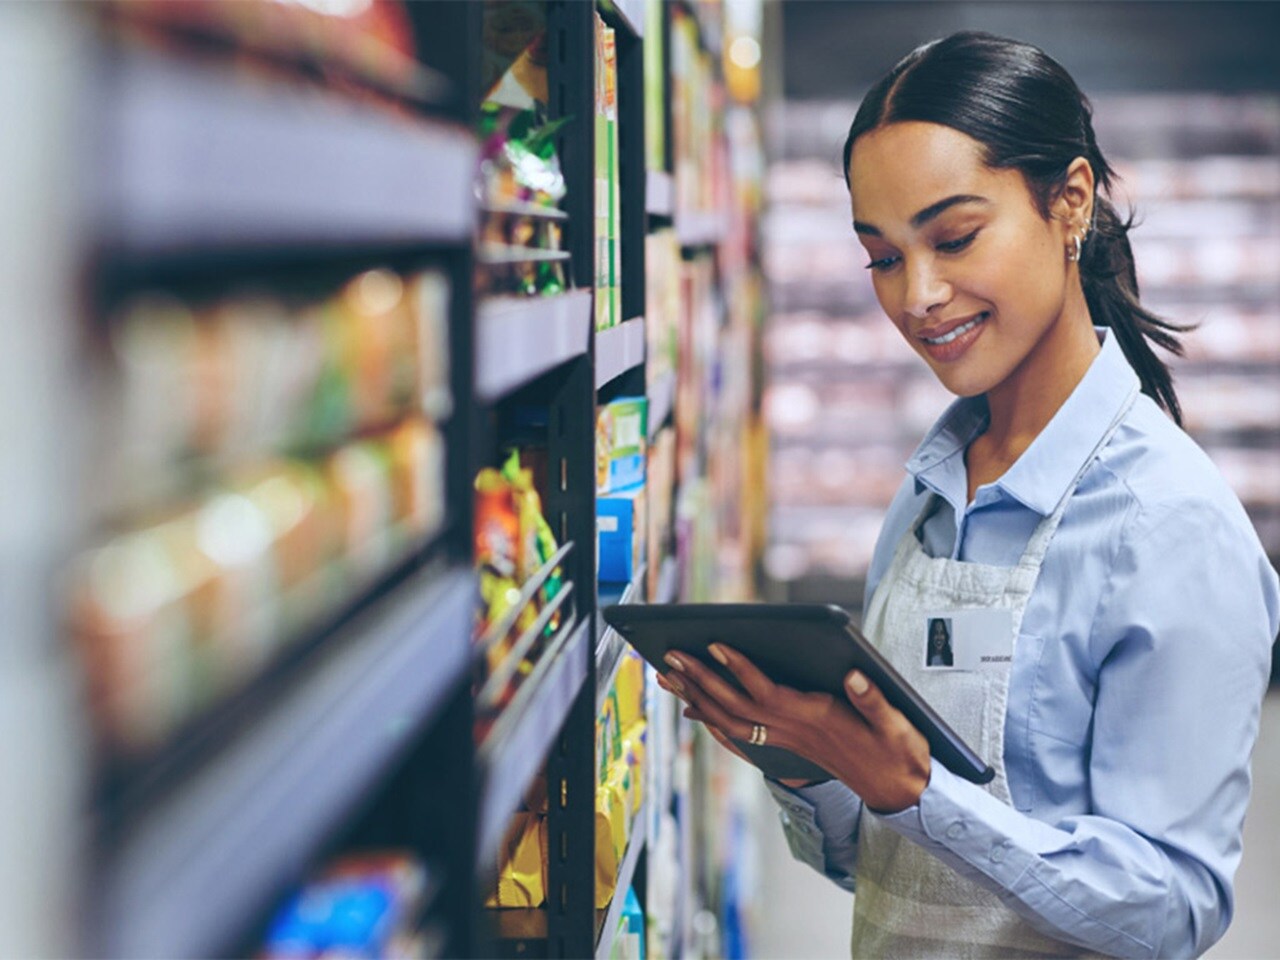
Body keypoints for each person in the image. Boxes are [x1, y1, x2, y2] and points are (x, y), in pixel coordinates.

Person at [656, 31, 1280, 958]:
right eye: (883, 257)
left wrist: (920, 795)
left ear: (1070, 202)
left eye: (953, 238)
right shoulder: (929, 494)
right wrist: (801, 750)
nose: (919, 296)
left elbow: (1172, 911)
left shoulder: (1170, 526)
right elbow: (890, 867)